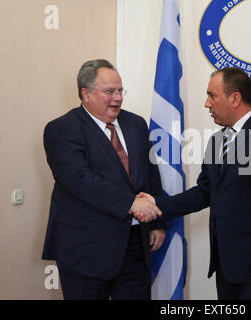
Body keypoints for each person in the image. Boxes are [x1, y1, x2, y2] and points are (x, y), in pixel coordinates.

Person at [136, 67, 251, 300]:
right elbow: (204, 192)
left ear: (235, 98)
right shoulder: (217, 141)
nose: (206, 103)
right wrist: (156, 204)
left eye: (212, 95)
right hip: (227, 267)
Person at [42, 59, 164, 300]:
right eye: (110, 91)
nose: (118, 97)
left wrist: (159, 222)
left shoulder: (136, 124)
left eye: (120, 90)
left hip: (134, 247)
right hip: (85, 249)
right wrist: (131, 203)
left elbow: (150, 175)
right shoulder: (62, 129)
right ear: (84, 93)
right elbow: (80, 180)